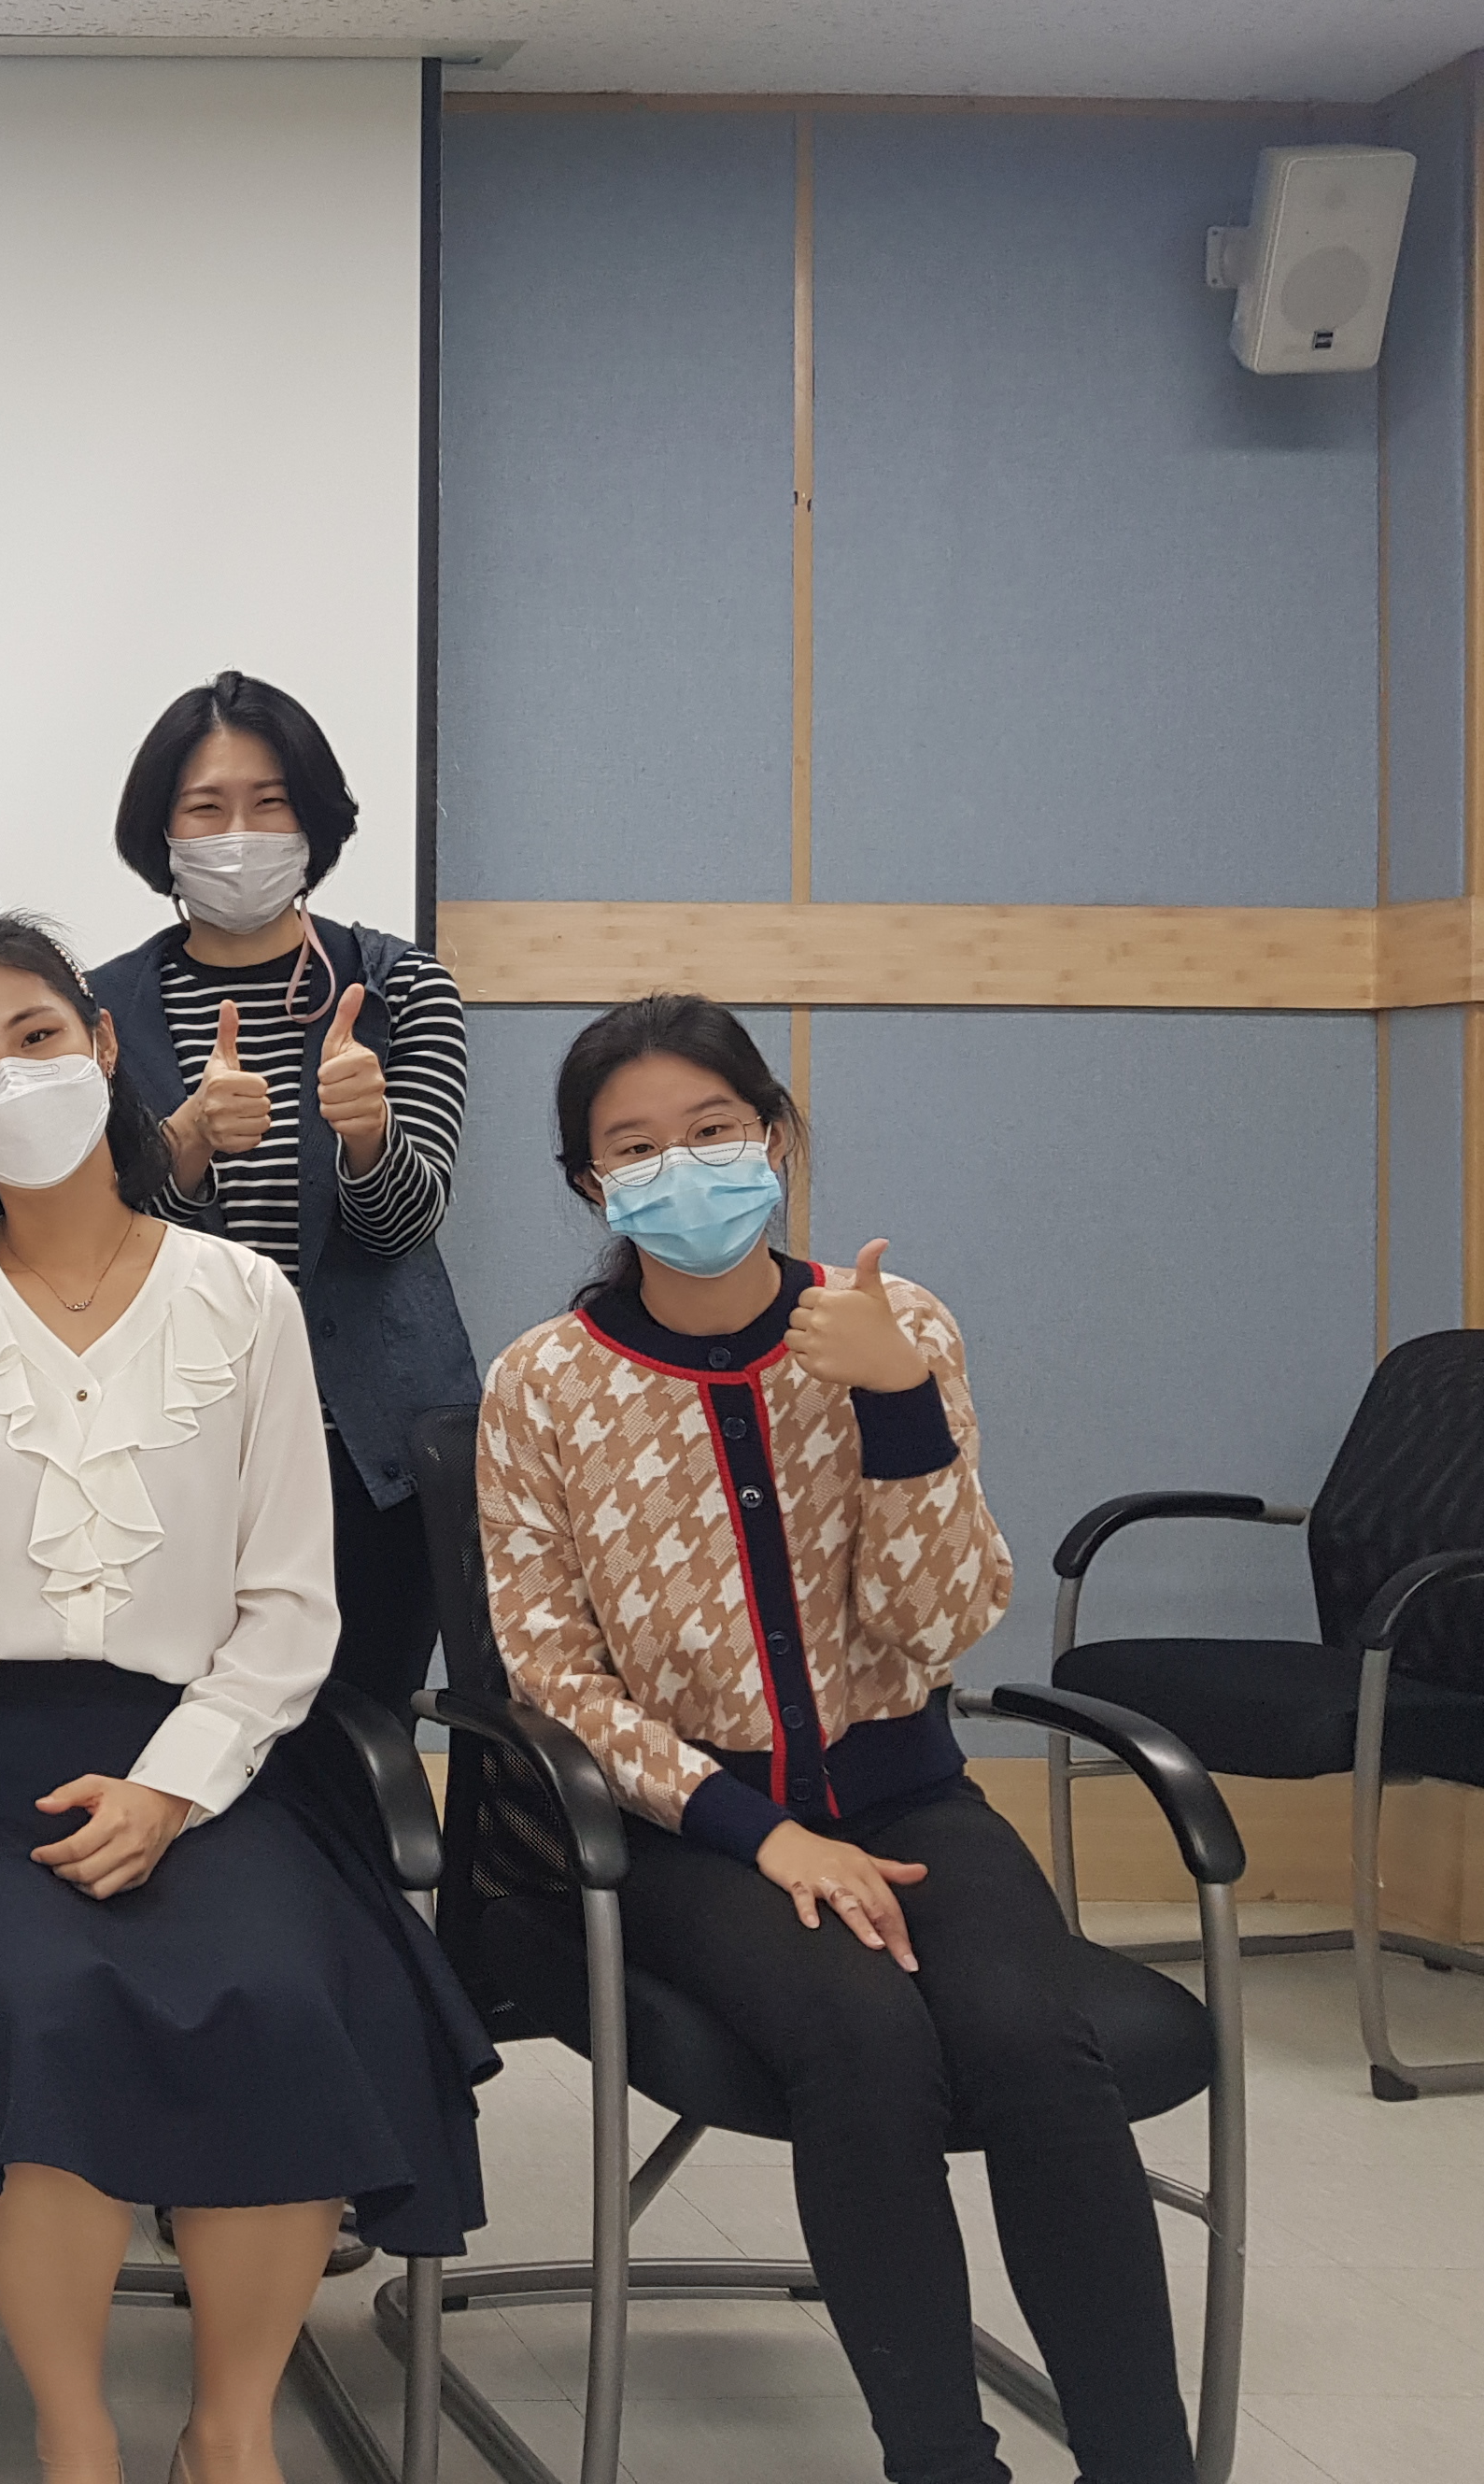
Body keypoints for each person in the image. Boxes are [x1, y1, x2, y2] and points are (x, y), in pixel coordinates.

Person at [0, 917, 489, 2484]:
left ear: (102, 1044)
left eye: (36, 1036)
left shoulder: (244, 1292)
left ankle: (229, 2430)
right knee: (37, 2000)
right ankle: (75, 2430)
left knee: (278, 1994)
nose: (10, 1078)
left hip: (207, 1752)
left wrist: (172, 1787)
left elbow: (291, 1602)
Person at [473, 996, 1189, 2484]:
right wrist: (764, 1835)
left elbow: (941, 1624)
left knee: (1035, 2044)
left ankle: (1146, 2464)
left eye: (713, 1130)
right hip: (689, 1833)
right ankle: (943, 2463)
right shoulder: (543, 1383)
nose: (680, 1167)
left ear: (777, 1136)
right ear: (589, 1184)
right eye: (634, 1148)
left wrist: (897, 1402)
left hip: (909, 1797)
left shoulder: (896, 1326)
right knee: (863, 2043)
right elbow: (549, 1674)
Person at [91, 669, 478, 1719]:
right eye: (205, 808)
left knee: (357, 1738)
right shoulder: (96, 1011)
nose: (239, 835)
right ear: (160, 829)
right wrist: (182, 1149)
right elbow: (95, 1251)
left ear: (314, 820)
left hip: (373, 1459)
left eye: (270, 804)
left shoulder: (401, 988)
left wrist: (369, 1136)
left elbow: (404, 1227)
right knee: (183, 1728)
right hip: (177, 1448)